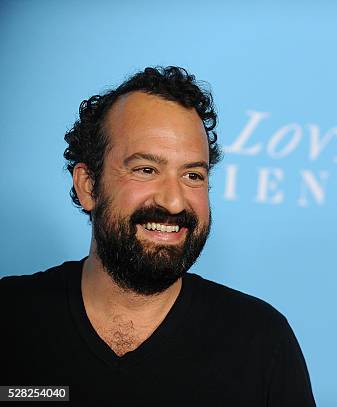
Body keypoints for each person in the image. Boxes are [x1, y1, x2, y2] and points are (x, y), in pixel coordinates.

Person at [0, 66, 316, 406]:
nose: (173, 200)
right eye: (146, 170)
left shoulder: (261, 341)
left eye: (193, 175)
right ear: (89, 186)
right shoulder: (10, 318)